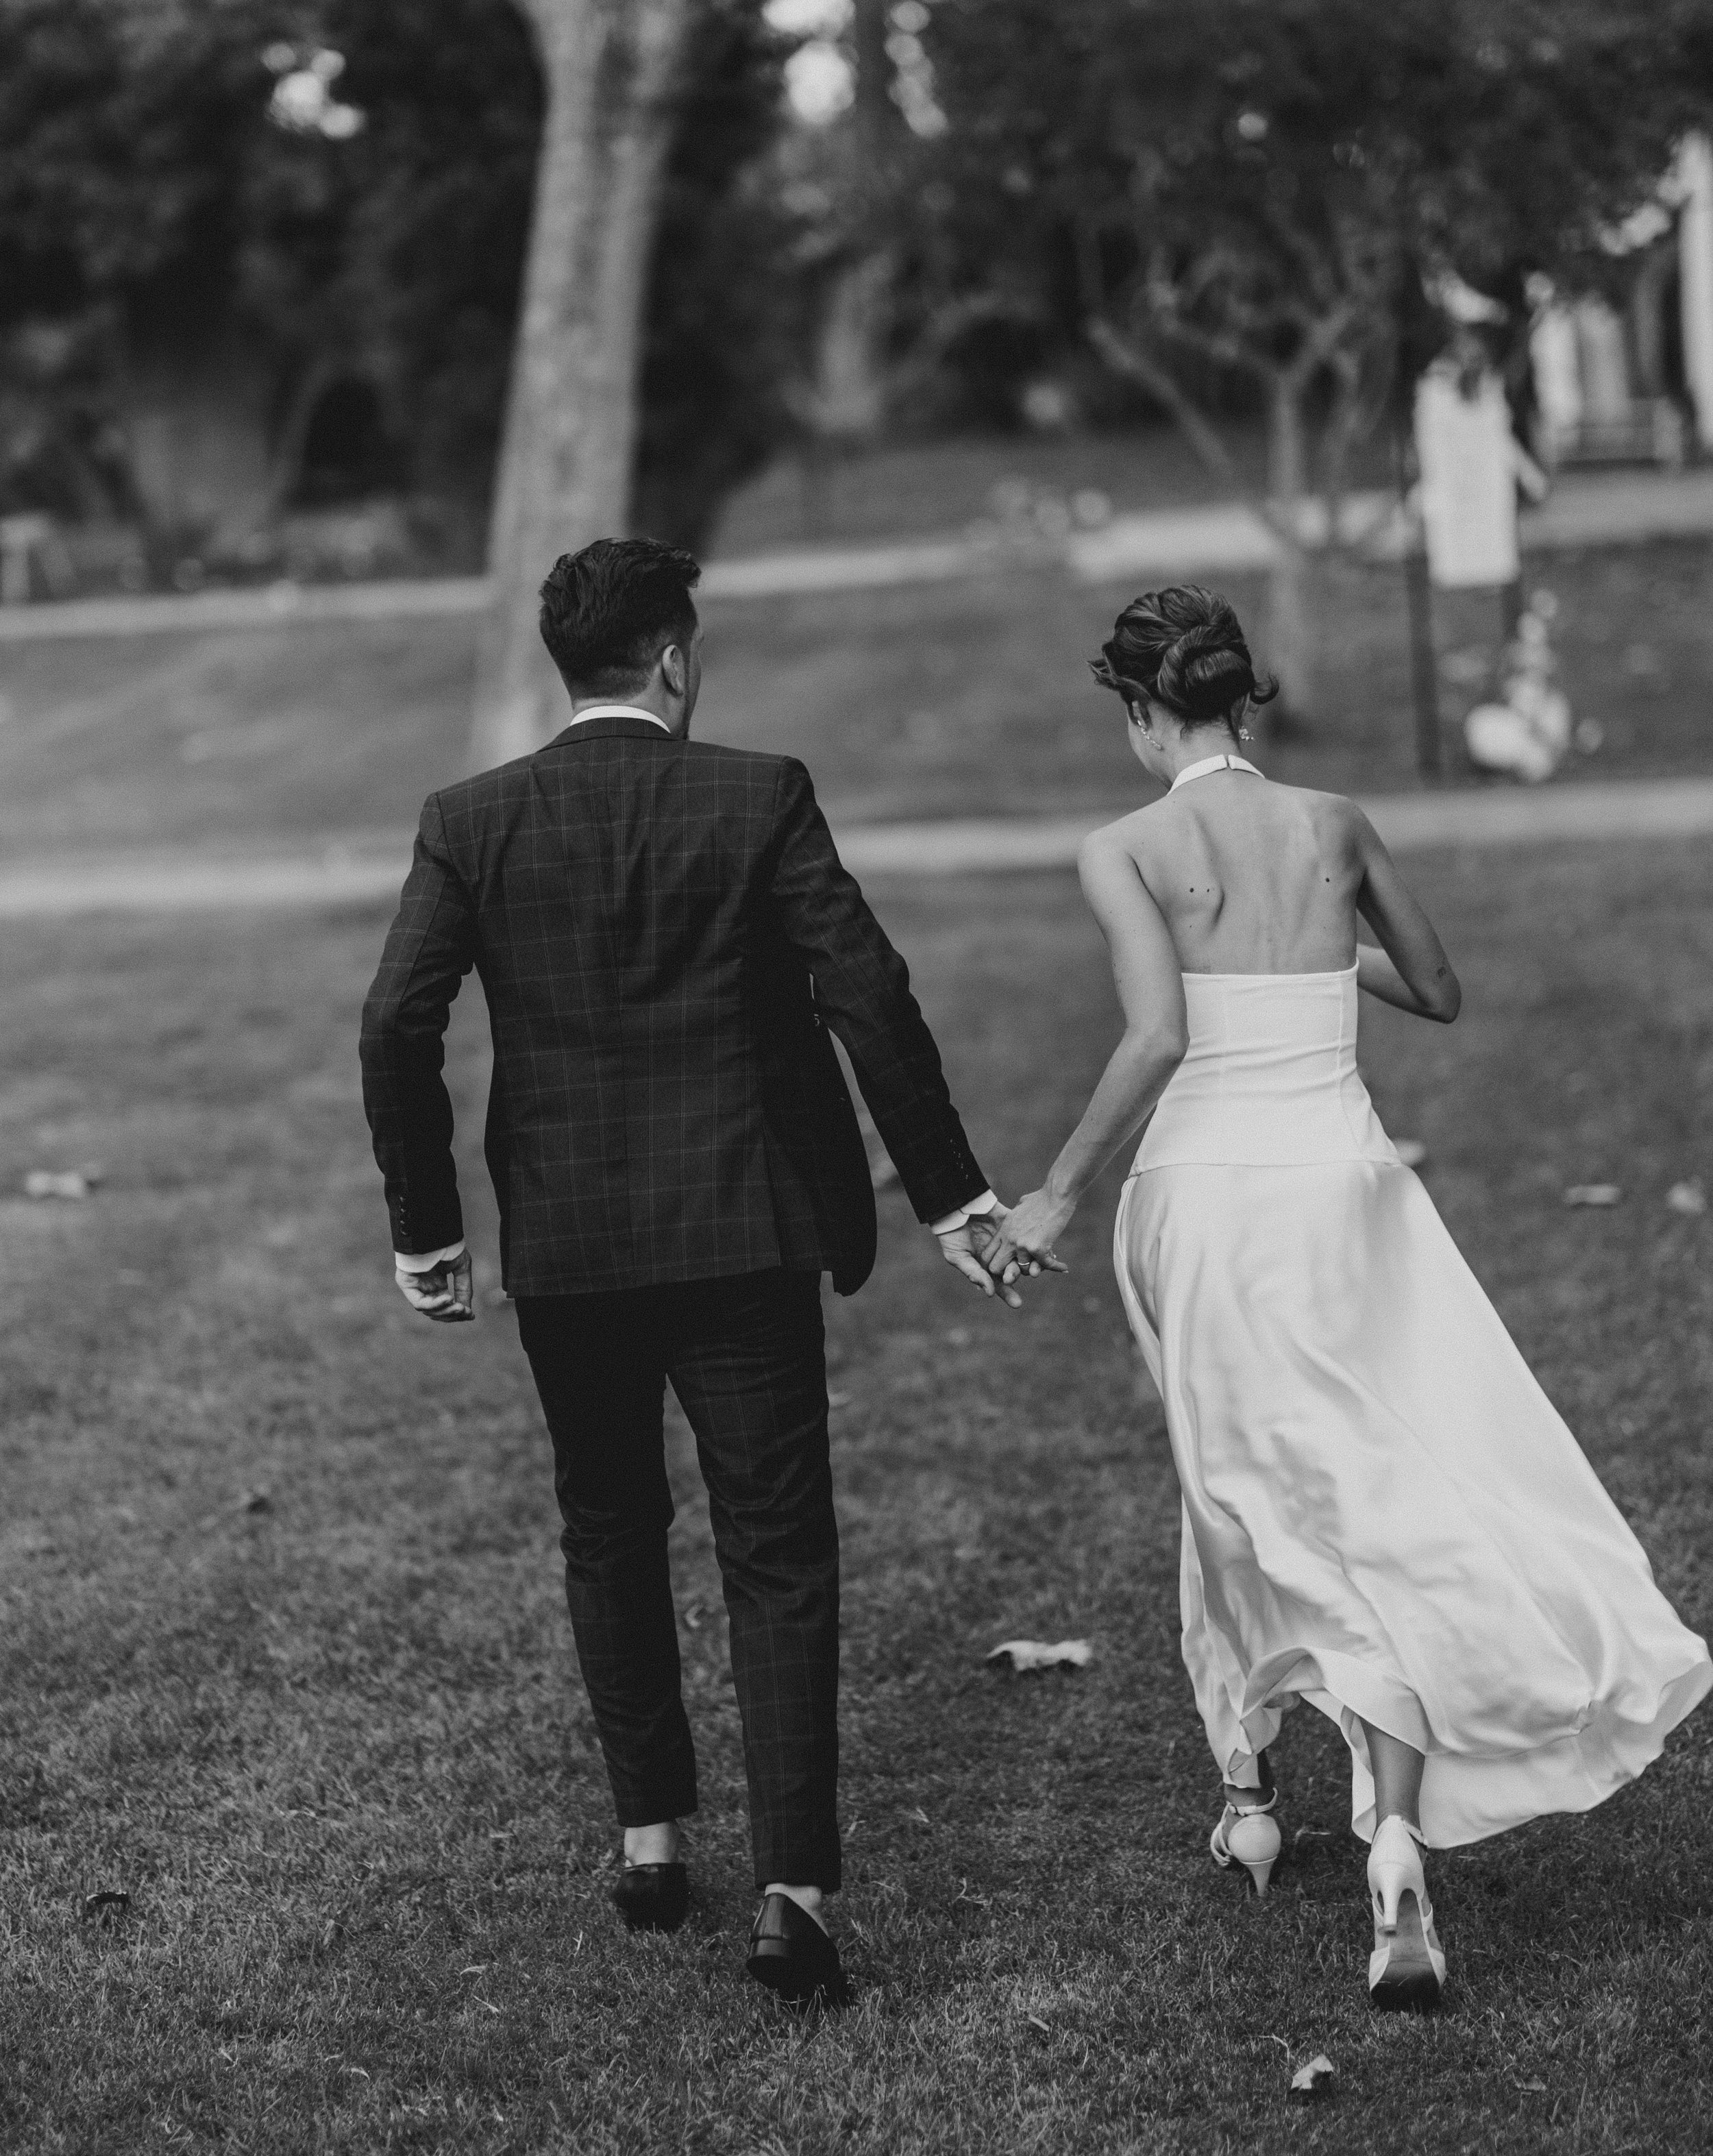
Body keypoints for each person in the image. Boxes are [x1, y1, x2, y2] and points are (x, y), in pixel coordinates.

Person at [1000, 585, 1712, 2011]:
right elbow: (1437, 988)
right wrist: (1320, 965)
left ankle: (1250, 1788)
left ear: (1140, 712)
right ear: (1240, 700)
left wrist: (1058, 1192)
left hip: (1206, 1202)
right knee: (1371, 1493)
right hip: (1343, 1191)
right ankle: (1391, 1836)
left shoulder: (1124, 847)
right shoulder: (1332, 822)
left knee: (1234, 1491)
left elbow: (1157, 1031)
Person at [360, 538, 1019, 2009]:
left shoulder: (472, 818)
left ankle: (650, 1838)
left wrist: (427, 1225)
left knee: (608, 1525)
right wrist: (952, 1196)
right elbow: (867, 992)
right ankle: (793, 1892)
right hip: (743, 1232)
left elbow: (395, 1020)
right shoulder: (757, 793)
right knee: (775, 1547)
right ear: (672, 657)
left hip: (570, 1243)